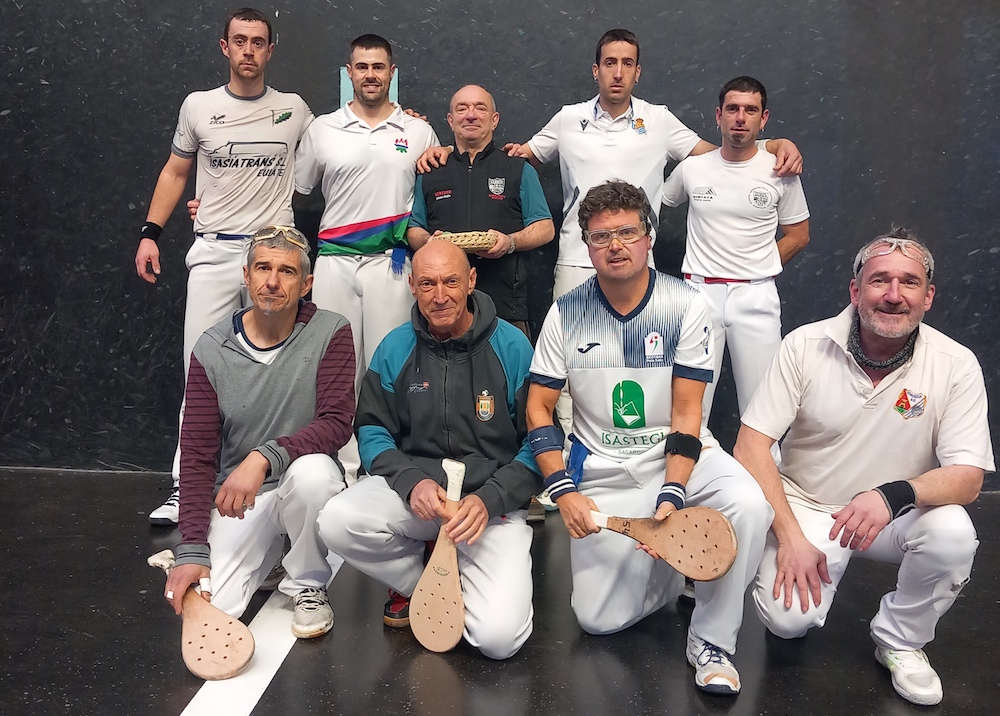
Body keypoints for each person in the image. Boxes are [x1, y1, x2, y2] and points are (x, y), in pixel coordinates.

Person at [525, 180, 772, 694]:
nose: (615, 245)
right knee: (597, 620)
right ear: (586, 245)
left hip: (680, 457)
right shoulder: (565, 313)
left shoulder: (686, 304)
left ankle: (712, 640)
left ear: (649, 237)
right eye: (600, 236)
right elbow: (538, 408)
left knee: (749, 504)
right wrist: (562, 491)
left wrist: (673, 492)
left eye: (627, 232)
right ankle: (677, 572)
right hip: (604, 470)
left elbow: (687, 412)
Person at [733, 229, 993, 706]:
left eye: (909, 282)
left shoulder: (956, 364)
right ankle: (799, 567)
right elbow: (751, 446)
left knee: (954, 533)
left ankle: (900, 640)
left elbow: (968, 478)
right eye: (879, 280)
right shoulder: (804, 345)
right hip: (809, 509)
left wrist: (892, 495)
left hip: (893, 515)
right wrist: (790, 537)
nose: (894, 295)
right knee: (787, 624)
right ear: (855, 290)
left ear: (928, 297)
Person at [317, 240, 540, 660]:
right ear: (412, 287)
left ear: (471, 280)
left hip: (487, 508)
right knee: (336, 521)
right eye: (427, 283)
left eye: (451, 282)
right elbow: (372, 430)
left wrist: (492, 497)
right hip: (422, 499)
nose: (440, 296)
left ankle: (462, 581)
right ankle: (426, 581)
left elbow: (539, 443)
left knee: (499, 640)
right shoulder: (394, 347)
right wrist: (410, 480)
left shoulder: (513, 347)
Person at [135, 7, 314, 525]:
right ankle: (186, 485)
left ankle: (278, 483)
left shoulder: (295, 109)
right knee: (202, 369)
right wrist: (150, 233)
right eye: (240, 41)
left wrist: (405, 119)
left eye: (258, 42)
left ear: (270, 50)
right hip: (214, 253)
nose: (248, 50)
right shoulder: (199, 106)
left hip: (274, 258)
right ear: (225, 47)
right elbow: (175, 172)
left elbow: (335, 145)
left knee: (281, 373)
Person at [164, 226, 356, 639]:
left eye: (287, 271)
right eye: (263, 268)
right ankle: (269, 556)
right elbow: (197, 455)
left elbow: (337, 422)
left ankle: (307, 582)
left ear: (306, 284)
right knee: (215, 603)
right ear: (246, 275)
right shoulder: (211, 348)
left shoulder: (331, 331)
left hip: (299, 482)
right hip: (239, 499)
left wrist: (264, 456)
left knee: (315, 475)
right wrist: (192, 547)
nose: (272, 281)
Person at [662, 76, 810, 426]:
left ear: (764, 118)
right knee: (689, 408)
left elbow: (799, 235)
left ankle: (762, 465)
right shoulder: (692, 168)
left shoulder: (781, 170)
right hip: (699, 296)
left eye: (750, 110)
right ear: (718, 116)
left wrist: (758, 266)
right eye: (732, 109)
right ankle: (685, 463)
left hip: (756, 296)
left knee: (762, 411)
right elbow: (656, 204)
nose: (740, 118)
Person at [407, 84, 555, 338]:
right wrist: (430, 242)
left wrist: (510, 242)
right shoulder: (431, 171)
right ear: (450, 120)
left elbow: (545, 228)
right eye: (462, 109)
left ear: (494, 119)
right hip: (442, 308)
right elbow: (414, 230)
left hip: (505, 305)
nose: (471, 115)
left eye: (480, 108)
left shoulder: (517, 168)